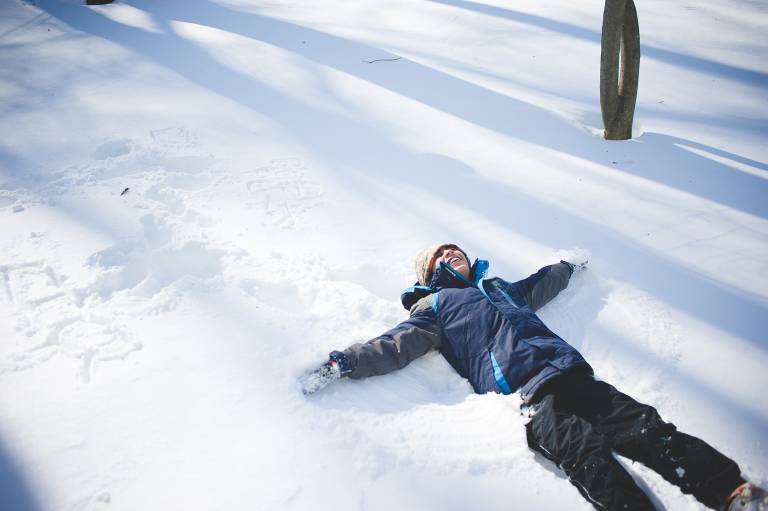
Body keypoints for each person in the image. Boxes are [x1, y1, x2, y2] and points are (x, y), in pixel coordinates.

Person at [300, 243, 766, 511]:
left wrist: (568, 266)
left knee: (648, 430)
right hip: (530, 397)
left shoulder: (499, 288)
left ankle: (732, 493)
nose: (452, 252)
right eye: (441, 253)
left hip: (571, 374)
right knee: (591, 464)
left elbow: (540, 285)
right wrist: (343, 363)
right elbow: (395, 345)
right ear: (431, 271)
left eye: (455, 247)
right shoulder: (434, 308)